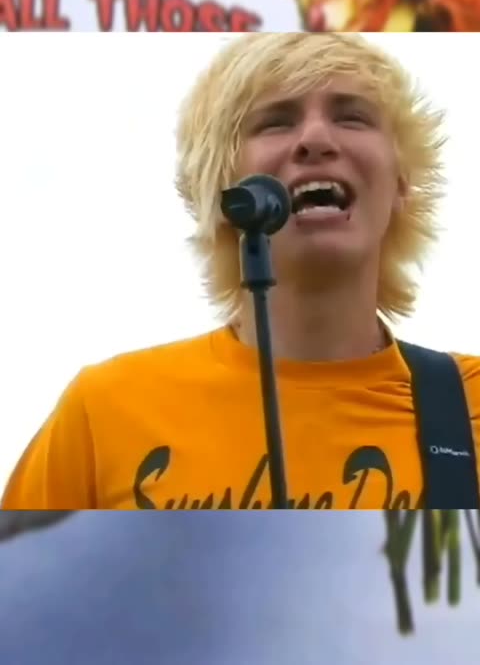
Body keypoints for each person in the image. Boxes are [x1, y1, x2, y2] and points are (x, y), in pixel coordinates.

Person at [2, 32, 479, 511]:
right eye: (276, 122)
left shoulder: (470, 401)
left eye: (352, 117)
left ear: (401, 185)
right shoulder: (103, 412)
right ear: (222, 193)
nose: (315, 139)